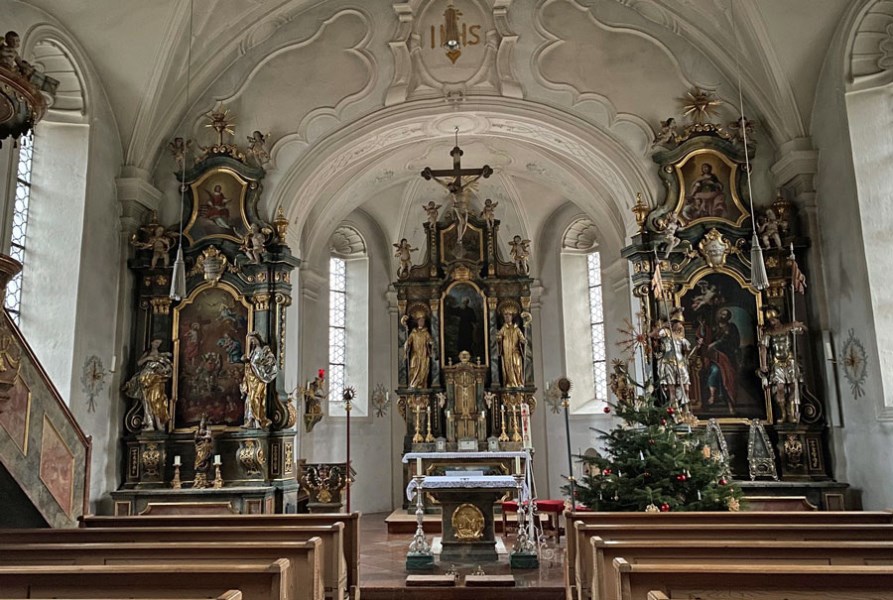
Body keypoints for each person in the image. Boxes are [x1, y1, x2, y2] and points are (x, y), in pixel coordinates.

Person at [759, 308, 805, 424]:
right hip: (777, 362)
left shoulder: (788, 327)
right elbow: (763, 349)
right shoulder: (768, 333)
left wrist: (798, 325)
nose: (772, 322)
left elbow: (803, 331)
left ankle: (791, 410)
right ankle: (783, 413)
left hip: (790, 360)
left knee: (793, 386)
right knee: (780, 388)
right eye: (770, 321)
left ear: (778, 318)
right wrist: (764, 364)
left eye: (773, 320)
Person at [122, 339, 173, 431]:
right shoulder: (147, 353)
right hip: (146, 379)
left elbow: (168, 367)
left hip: (157, 379)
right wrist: (148, 358)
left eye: (159, 343)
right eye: (156, 342)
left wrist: (163, 369)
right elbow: (139, 363)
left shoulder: (161, 355)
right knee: (147, 401)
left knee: (157, 400)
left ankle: (158, 423)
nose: (157, 345)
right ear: (152, 343)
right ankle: (150, 423)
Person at [650, 312, 692, 410]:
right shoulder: (666, 332)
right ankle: (674, 407)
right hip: (669, 362)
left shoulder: (681, 338)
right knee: (671, 387)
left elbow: (687, 350)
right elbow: (653, 335)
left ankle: (686, 407)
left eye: (682, 324)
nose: (681, 326)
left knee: (686, 385)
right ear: (673, 324)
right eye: (679, 323)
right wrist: (663, 326)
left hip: (680, 363)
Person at [241, 332, 279, 429]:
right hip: (251, 377)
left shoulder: (265, 349)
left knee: (256, 397)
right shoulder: (254, 350)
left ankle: (258, 420)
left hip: (260, 378)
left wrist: (256, 365)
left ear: (258, 338)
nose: (252, 342)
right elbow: (253, 361)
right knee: (250, 398)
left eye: (253, 340)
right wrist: (247, 360)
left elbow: (270, 361)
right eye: (251, 340)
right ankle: (250, 420)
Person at [496, 304, 526, 388]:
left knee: (517, 366)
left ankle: (518, 382)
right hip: (506, 353)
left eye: (509, 315)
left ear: (512, 317)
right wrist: (498, 338)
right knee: (508, 367)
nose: (507, 317)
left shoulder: (516, 329)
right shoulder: (503, 328)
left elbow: (522, 338)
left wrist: (523, 340)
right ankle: (509, 383)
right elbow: (498, 337)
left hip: (515, 351)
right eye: (505, 315)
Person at [404, 310, 433, 388]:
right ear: (417, 322)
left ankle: (422, 384)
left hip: (424, 355)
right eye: (420, 321)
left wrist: (431, 343)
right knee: (414, 369)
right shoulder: (413, 333)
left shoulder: (426, 333)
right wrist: (406, 345)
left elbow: (430, 341)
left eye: (423, 321)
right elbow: (408, 341)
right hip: (415, 354)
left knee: (423, 370)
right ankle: (413, 384)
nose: (421, 322)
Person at [193, 414, 213, 488]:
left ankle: (203, 479)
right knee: (198, 460)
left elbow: (209, 437)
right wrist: (202, 437)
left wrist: (202, 437)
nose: (202, 424)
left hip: (205, 448)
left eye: (203, 422)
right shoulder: (198, 430)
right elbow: (196, 438)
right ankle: (199, 478)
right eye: (201, 422)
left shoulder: (208, 429)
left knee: (204, 459)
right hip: (199, 448)